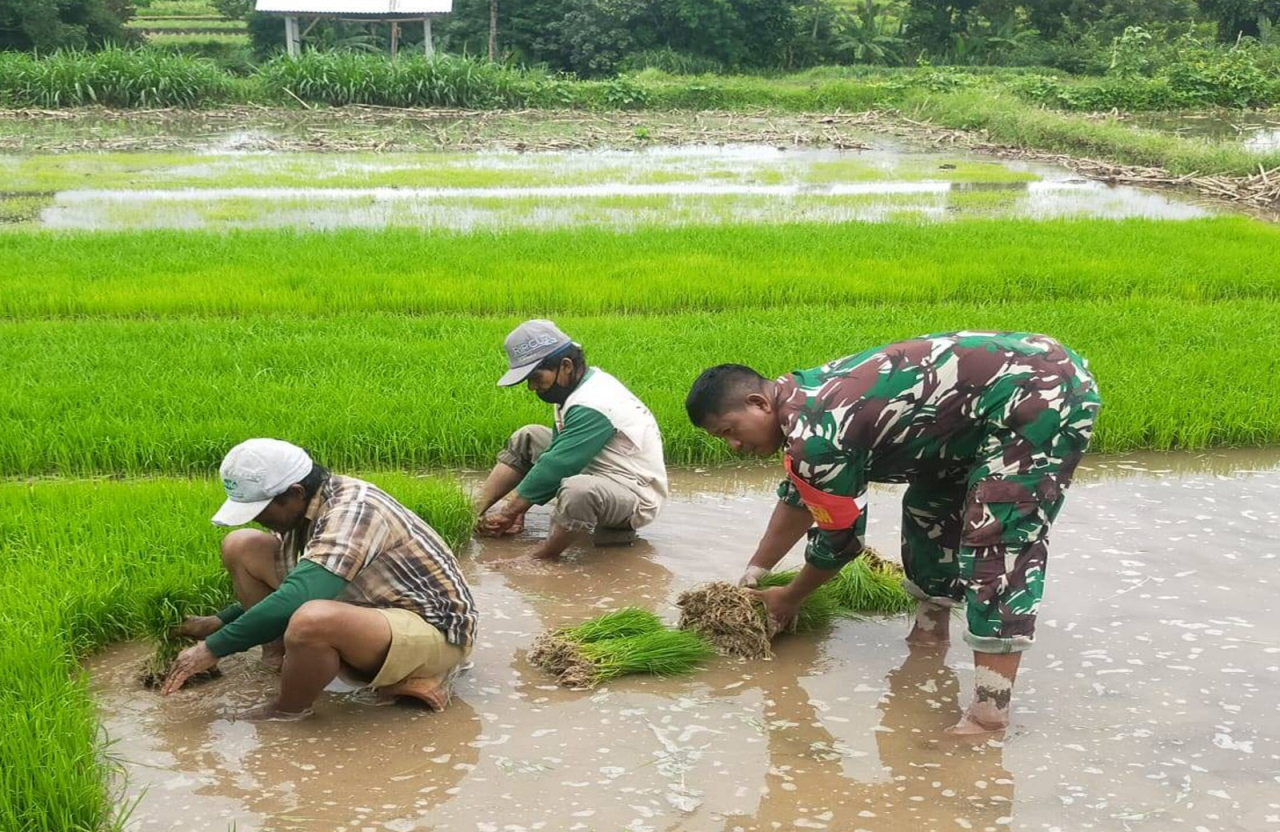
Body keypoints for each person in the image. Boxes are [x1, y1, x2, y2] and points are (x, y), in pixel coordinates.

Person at [684, 331, 1101, 734]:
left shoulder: (816, 435)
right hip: (977, 414)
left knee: (996, 538)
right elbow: (802, 496)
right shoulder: (798, 402)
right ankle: (929, 633)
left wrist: (789, 597)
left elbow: (841, 541)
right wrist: (756, 571)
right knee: (928, 507)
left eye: (730, 431)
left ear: (758, 403)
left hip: (1039, 393)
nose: (732, 446)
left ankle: (988, 715)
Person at [162, 438, 478, 721]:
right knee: (241, 545)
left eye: (260, 510)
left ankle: (288, 709)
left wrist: (213, 648)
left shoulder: (354, 511)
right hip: (369, 608)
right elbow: (298, 582)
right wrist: (219, 621)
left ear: (295, 493)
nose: (257, 519)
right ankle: (278, 659)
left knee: (312, 620)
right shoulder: (307, 507)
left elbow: (301, 596)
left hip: (433, 630)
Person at [475, 319, 668, 561]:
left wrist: (509, 512)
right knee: (529, 436)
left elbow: (557, 465)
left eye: (536, 377)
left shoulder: (594, 402)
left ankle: (541, 558)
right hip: (597, 468)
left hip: (632, 493)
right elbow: (557, 451)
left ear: (565, 365)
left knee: (578, 490)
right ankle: (472, 510)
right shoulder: (573, 388)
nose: (532, 386)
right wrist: (520, 508)